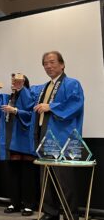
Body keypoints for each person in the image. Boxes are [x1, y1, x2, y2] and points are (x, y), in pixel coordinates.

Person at [31, 51, 84, 220]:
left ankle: (70, 215)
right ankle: (50, 213)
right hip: (44, 137)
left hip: (63, 139)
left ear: (62, 64)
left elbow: (75, 104)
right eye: (45, 63)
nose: (48, 66)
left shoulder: (72, 83)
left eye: (52, 62)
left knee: (64, 180)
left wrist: (51, 106)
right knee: (46, 178)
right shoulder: (43, 87)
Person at [0, 73, 38, 216]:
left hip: (23, 140)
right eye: (13, 81)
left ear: (24, 83)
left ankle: (29, 204)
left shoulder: (29, 95)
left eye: (18, 81)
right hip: (9, 140)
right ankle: (14, 202)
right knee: (12, 174)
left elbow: (31, 114)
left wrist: (15, 110)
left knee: (27, 175)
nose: (14, 83)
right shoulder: (8, 97)